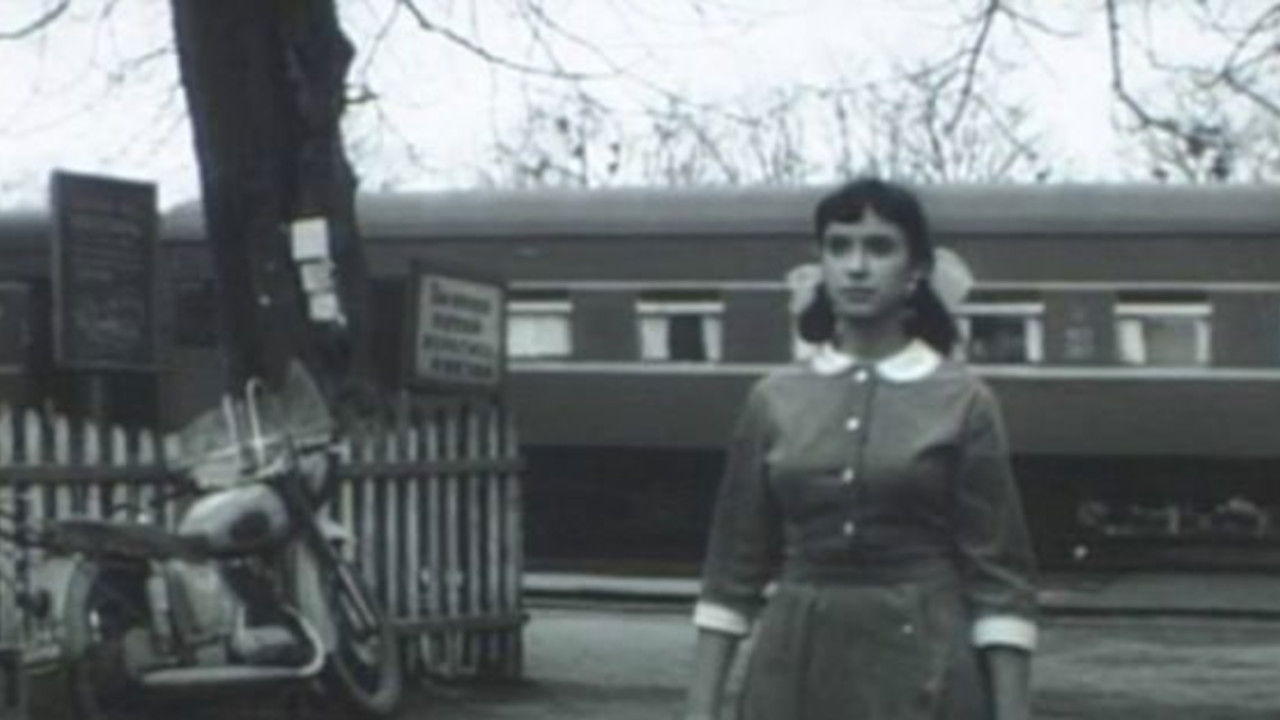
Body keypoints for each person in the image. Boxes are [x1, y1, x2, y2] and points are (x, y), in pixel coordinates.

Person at [684, 178, 1036, 720]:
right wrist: (700, 710)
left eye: (879, 247)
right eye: (839, 247)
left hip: (926, 662)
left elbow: (1000, 581)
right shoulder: (773, 398)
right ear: (821, 264)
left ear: (917, 269)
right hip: (794, 667)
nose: (856, 266)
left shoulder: (964, 400)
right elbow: (732, 571)